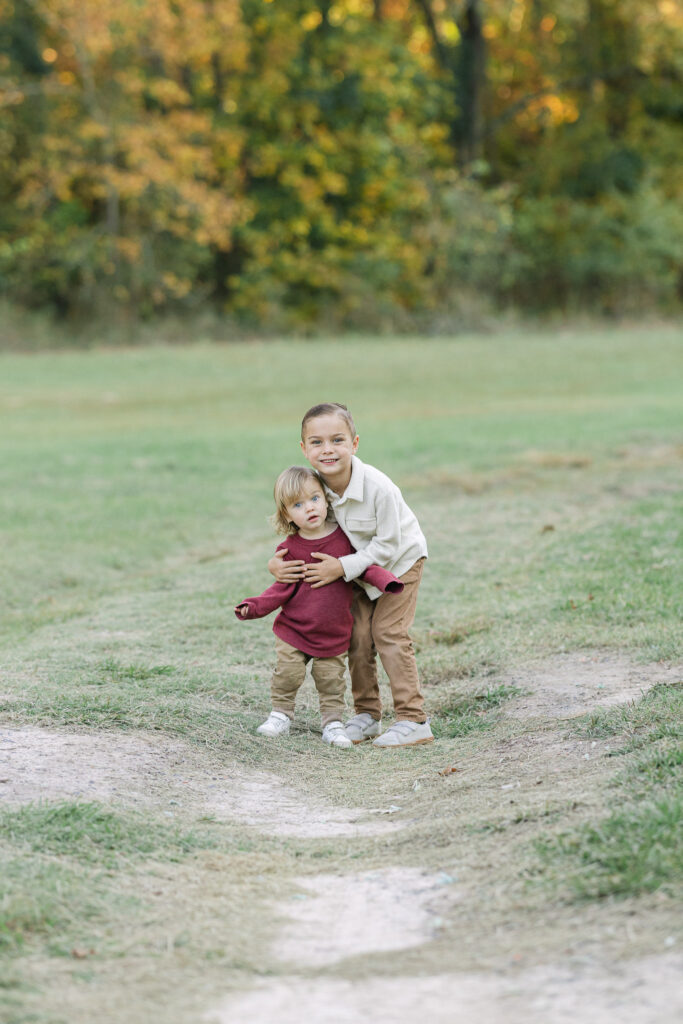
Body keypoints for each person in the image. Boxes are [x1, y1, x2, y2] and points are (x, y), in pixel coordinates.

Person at [268, 403, 433, 748]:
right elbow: (301, 533)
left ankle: (413, 718)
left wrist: (341, 568)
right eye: (317, 442)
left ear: (355, 443)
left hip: (399, 565)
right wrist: (276, 565)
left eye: (337, 440)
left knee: (387, 633)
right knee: (356, 636)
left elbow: (389, 545)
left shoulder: (377, 487)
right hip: (355, 572)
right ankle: (367, 715)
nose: (327, 449)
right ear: (304, 449)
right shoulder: (315, 487)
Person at [236, 465, 403, 749]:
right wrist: (254, 606)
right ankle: (280, 714)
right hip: (294, 629)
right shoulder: (290, 548)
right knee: (288, 672)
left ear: (326, 499)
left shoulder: (343, 540)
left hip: (333, 631)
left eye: (314, 498)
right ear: (287, 515)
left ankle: (333, 724)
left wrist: (387, 581)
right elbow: (280, 588)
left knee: (331, 681)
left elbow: (363, 568)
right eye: (298, 505)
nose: (309, 508)